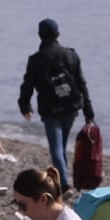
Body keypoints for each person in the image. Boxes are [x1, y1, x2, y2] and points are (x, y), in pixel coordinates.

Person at [17, 18, 94, 190]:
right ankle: (62, 178)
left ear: (40, 35)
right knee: (61, 146)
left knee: (57, 148)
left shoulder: (36, 59)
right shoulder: (71, 55)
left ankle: (64, 183)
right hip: (71, 107)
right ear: (57, 34)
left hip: (50, 110)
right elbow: (81, 83)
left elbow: (27, 85)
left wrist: (25, 106)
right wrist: (89, 110)